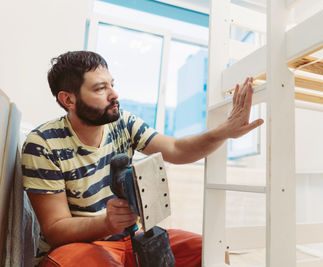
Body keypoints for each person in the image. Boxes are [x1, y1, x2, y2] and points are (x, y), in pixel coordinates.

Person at [22, 51, 264, 267]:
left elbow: (177, 149)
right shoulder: (43, 144)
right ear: (68, 100)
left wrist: (224, 131)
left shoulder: (122, 122)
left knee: (209, 250)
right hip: (79, 247)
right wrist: (108, 223)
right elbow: (56, 230)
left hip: (129, 239)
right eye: (100, 88)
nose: (114, 94)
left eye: (112, 84)